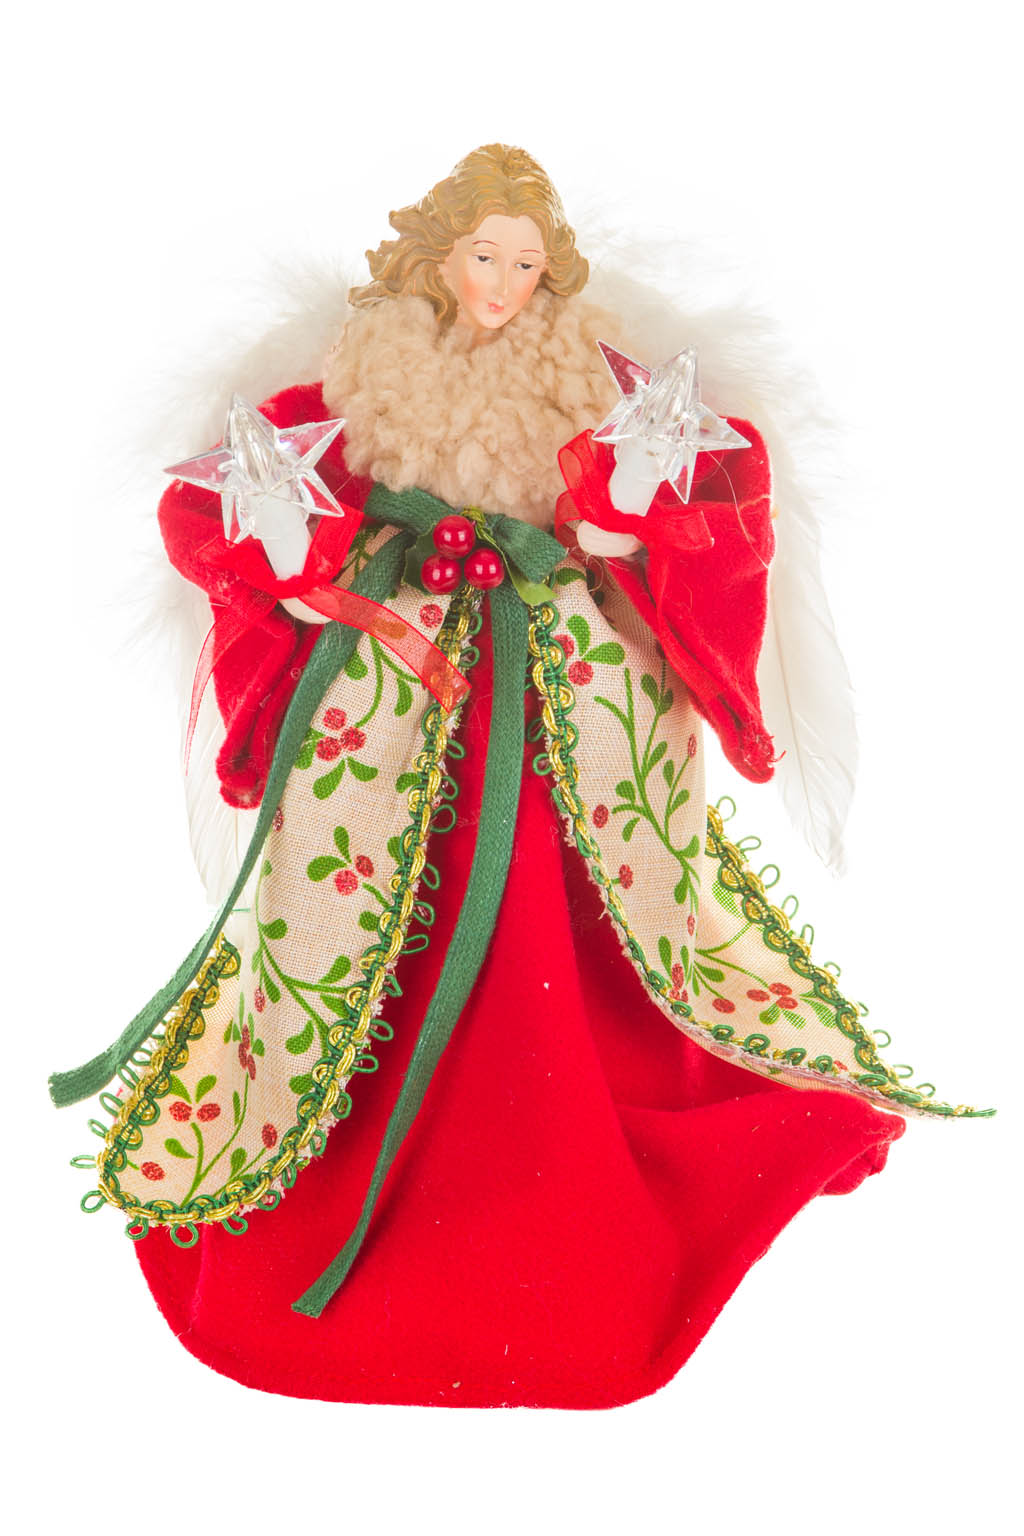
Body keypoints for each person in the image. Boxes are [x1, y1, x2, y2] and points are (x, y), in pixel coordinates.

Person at [50, 145, 982, 1408]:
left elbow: (682, 493)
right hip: (394, 680)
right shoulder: (358, 369)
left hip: (555, 670)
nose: (501, 283)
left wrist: (616, 523)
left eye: (526, 264)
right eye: (483, 256)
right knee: (368, 878)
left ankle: (573, 1093)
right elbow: (247, 496)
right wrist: (300, 562)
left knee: (564, 871)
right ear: (437, 255)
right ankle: (354, 1115)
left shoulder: (591, 373)